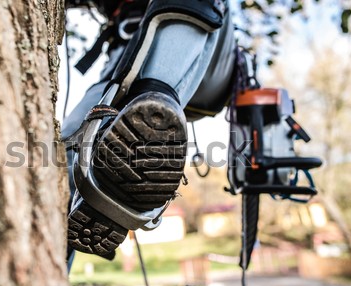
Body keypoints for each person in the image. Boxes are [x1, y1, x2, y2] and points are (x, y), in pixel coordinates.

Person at [62, 0, 236, 262]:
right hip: (174, 48)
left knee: (68, 155)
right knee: (67, 161)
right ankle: (102, 186)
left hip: (165, 33)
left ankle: (144, 110)